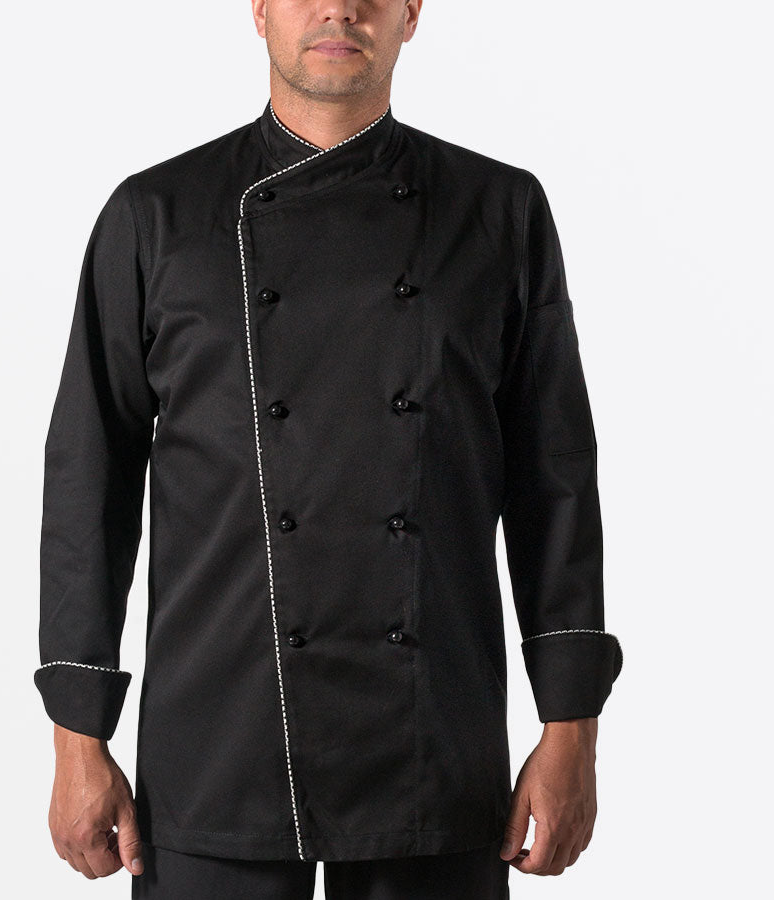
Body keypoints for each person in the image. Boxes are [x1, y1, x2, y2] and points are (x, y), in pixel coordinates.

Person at [33, 1, 623, 897]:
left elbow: (556, 481)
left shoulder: (499, 211)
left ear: (411, 13)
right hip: (218, 738)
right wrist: (78, 733)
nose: (339, 7)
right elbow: (90, 481)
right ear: (260, 10)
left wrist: (571, 722)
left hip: (433, 745)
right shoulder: (155, 215)